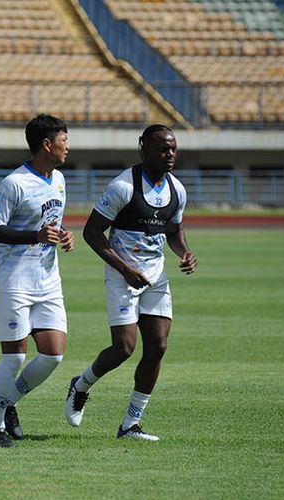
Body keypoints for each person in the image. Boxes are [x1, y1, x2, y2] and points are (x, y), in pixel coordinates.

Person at [64, 124, 197, 441]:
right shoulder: (123, 187)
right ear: (144, 149)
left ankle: (130, 425)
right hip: (122, 275)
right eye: (163, 149)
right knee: (124, 348)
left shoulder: (177, 190)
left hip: (156, 277)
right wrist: (124, 269)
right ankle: (80, 385)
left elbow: (174, 233)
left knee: (158, 346)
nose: (170, 155)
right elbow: (92, 233)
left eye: (173, 149)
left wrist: (185, 252)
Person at [0, 114, 75, 448]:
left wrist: (62, 234)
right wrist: (34, 235)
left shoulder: (59, 179)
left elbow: (48, 223)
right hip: (14, 280)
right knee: (15, 357)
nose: (68, 146)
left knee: (53, 355)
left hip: (48, 279)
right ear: (47, 145)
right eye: (64, 140)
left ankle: (9, 403)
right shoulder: (14, 183)